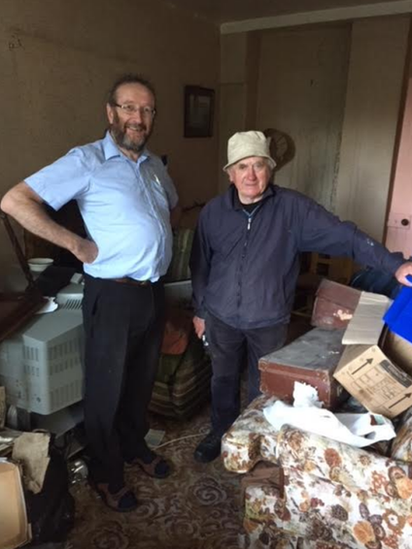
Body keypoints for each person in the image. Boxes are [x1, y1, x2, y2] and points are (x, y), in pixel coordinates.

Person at [1, 74, 180, 511]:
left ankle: (134, 446)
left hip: (151, 292)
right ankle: (105, 472)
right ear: (111, 113)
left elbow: (171, 206)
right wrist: (77, 245)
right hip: (112, 295)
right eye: (129, 107)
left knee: (140, 383)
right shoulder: (86, 161)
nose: (138, 117)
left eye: (147, 110)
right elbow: (15, 201)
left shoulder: (155, 165)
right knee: (107, 388)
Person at [190, 130, 412, 463]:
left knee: (263, 388)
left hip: (268, 320)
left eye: (259, 165)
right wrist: (200, 310)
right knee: (222, 380)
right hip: (220, 317)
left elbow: (346, 237)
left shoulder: (293, 209)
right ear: (230, 173)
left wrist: (394, 264)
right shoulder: (213, 213)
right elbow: (200, 264)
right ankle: (219, 433)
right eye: (242, 166)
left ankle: (256, 441)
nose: (251, 175)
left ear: (270, 169)